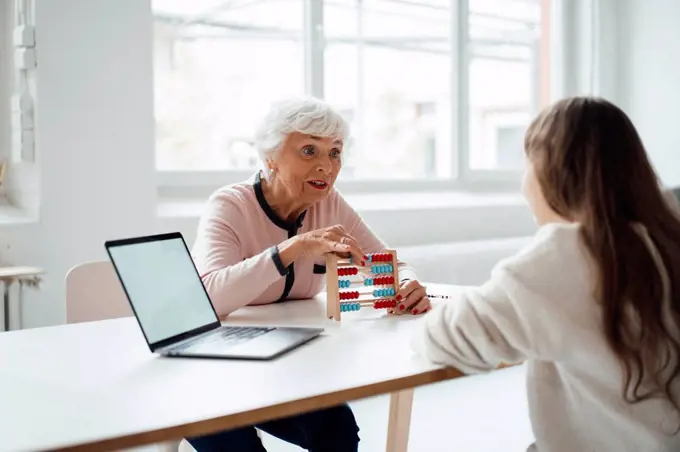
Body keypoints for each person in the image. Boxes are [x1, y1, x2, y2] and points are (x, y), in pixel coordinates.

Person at [411, 97, 680, 452]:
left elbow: (443, 340)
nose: (525, 184)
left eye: (528, 165)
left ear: (555, 172)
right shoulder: (666, 234)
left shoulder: (567, 256)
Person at [188, 97, 431, 452]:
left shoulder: (330, 204)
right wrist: (294, 249)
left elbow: (384, 265)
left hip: (285, 370)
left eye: (335, 153)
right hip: (213, 376)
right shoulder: (230, 206)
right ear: (270, 156)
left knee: (338, 429)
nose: (326, 166)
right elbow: (209, 296)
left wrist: (405, 282)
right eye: (308, 151)